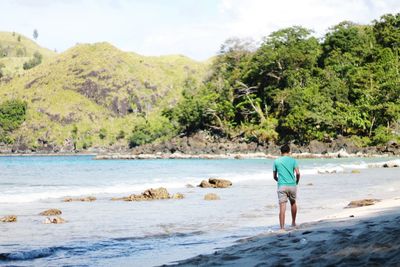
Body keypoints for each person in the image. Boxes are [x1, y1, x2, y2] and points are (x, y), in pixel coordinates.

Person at [273, 144, 300, 230]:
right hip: (292, 185)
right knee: (293, 203)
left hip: (282, 186)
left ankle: (282, 228)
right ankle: (293, 222)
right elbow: (298, 173)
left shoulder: (276, 161)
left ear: (280, 152)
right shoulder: (293, 161)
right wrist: (297, 181)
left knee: (282, 207)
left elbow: (274, 176)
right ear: (289, 152)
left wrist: (279, 181)